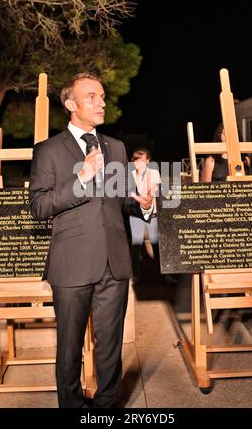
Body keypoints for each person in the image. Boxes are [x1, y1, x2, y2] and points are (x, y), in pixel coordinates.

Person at [29, 72, 153, 408]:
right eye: (91, 97)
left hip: (114, 264)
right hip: (70, 266)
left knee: (110, 347)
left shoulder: (117, 147)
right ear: (71, 104)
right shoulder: (49, 150)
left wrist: (141, 202)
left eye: (102, 96)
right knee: (68, 349)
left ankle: (105, 409)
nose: (101, 102)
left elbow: (119, 198)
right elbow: (39, 206)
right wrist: (82, 178)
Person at [128, 148, 161, 283]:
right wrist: (138, 197)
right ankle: (134, 276)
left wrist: (146, 196)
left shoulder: (153, 173)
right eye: (136, 159)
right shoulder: (130, 174)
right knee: (136, 245)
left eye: (141, 160)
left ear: (147, 161)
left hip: (152, 214)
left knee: (156, 244)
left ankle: (163, 275)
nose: (139, 162)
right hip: (136, 215)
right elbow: (129, 192)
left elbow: (153, 190)